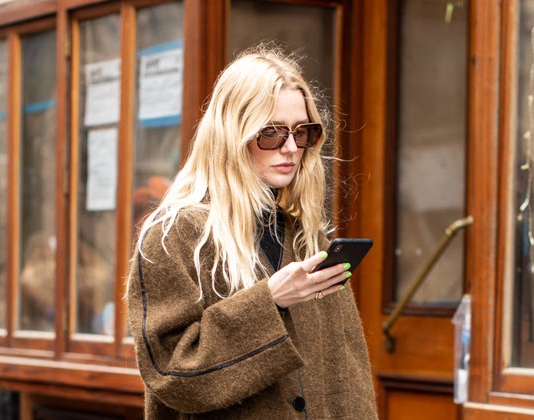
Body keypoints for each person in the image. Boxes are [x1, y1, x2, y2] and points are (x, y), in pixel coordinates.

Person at [126, 45, 378, 419]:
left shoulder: (305, 237)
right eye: (272, 133)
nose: (291, 148)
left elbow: (348, 375)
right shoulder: (175, 235)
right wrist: (270, 301)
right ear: (232, 135)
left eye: (301, 131)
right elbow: (172, 373)